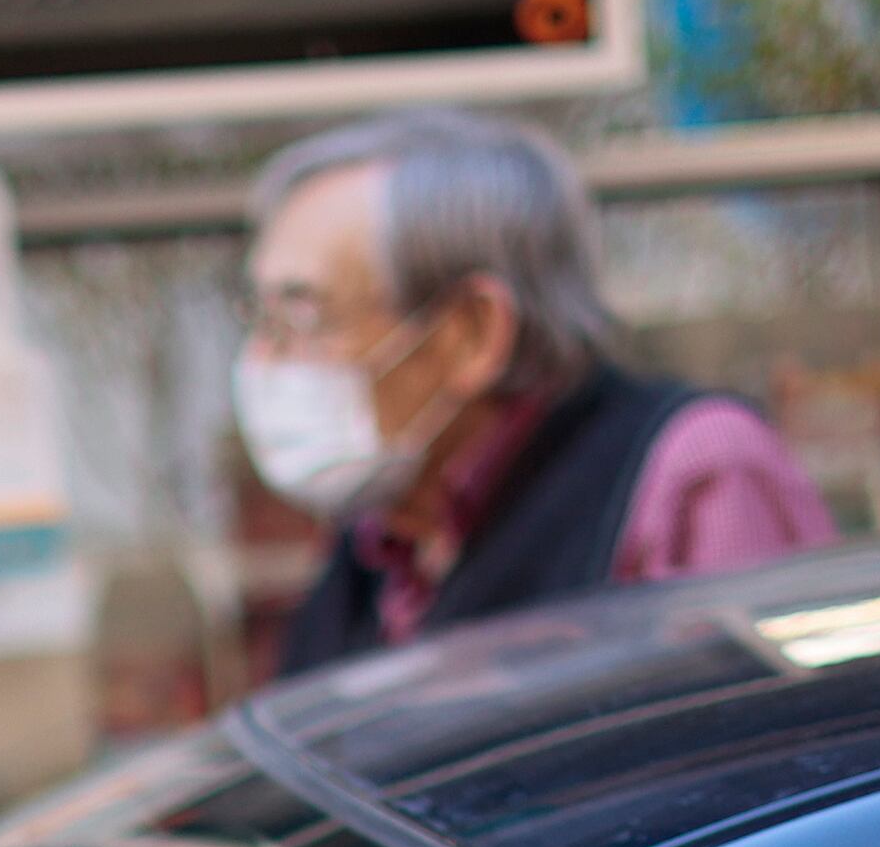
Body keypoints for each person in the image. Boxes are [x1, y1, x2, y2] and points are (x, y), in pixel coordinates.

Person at [242, 108, 838, 679]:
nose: (262, 359)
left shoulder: (693, 472)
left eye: (302, 319)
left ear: (471, 333)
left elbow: (772, 759)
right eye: (259, 318)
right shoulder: (381, 536)